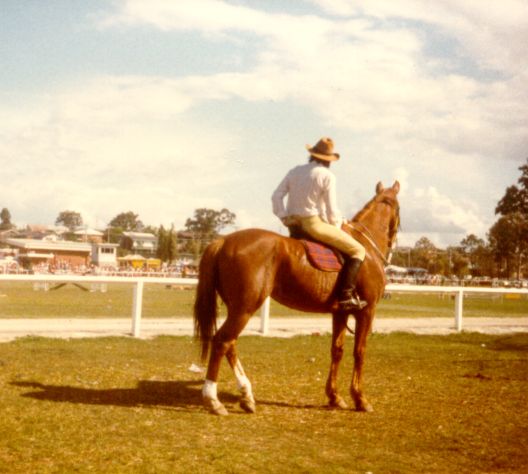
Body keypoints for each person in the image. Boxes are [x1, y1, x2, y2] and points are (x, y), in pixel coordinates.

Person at [271, 137, 367, 311]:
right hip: (314, 226)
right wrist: (338, 227)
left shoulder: (294, 171)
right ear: (328, 159)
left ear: (312, 155)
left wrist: (284, 217)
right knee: (358, 250)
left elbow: (276, 196)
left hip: (294, 227)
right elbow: (331, 211)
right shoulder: (327, 176)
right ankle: (346, 296)